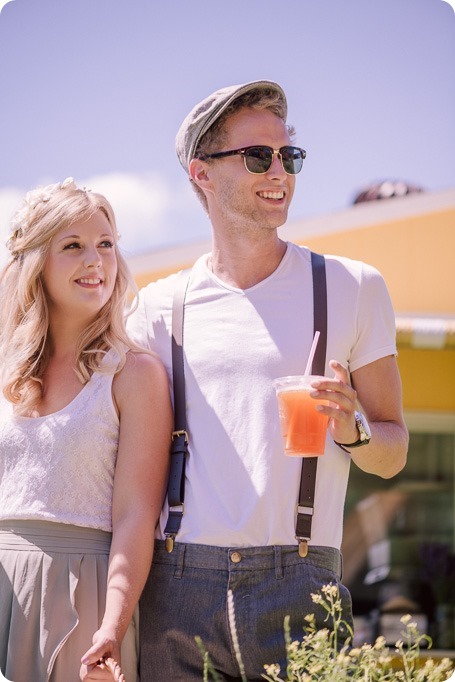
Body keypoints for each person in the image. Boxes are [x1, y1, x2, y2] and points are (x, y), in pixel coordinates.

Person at [127, 80, 409, 681]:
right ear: (202, 173)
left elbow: (393, 452)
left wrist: (353, 430)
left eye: (290, 155)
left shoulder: (353, 288)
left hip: (302, 583)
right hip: (176, 585)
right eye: (259, 156)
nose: (279, 170)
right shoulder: (156, 308)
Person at [0, 178, 172, 682]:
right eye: (72, 246)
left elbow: (137, 514)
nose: (94, 260)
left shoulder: (134, 373)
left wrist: (112, 627)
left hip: (83, 592)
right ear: (36, 264)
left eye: (106, 245)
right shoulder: (9, 370)